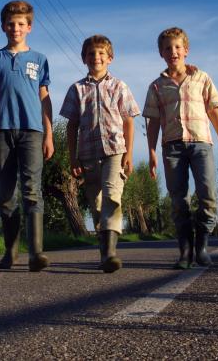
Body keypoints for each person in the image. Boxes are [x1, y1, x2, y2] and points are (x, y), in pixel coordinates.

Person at [0, 0, 55, 272]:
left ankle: (36, 253)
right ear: (4, 26)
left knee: (32, 190)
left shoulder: (39, 59)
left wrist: (49, 134)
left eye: (21, 24)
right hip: (2, 131)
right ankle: (10, 252)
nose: (15, 28)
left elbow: (45, 98)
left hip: (32, 131)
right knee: (7, 193)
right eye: (11, 23)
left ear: (29, 27)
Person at [143, 27, 218, 269]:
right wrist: (151, 151)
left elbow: (213, 111)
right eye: (168, 48)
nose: (173, 51)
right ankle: (185, 251)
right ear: (161, 53)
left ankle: (202, 246)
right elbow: (153, 121)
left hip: (201, 144)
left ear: (186, 50)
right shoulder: (157, 86)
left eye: (177, 47)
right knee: (179, 200)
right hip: (172, 148)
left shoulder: (201, 78)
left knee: (208, 195)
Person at [59, 35, 140, 273]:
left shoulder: (119, 86)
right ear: (84, 58)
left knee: (112, 196)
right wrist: (73, 157)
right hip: (88, 153)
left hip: (115, 150)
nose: (96, 58)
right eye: (91, 54)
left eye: (101, 54)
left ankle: (111, 254)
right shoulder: (77, 89)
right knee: (96, 203)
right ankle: (104, 251)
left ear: (110, 58)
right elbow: (72, 125)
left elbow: (128, 121)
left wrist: (129, 154)